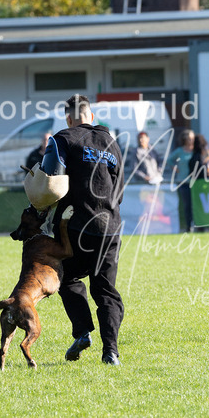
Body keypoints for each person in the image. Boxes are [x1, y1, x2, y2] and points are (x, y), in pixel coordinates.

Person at [39, 94, 126, 365]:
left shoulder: (62, 138)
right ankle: (110, 352)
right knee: (105, 291)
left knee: (65, 276)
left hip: (74, 226)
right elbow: (119, 191)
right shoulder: (112, 142)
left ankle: (83, 332)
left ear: (69, 118)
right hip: (109, 228)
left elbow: (49, 181)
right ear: (91, 116)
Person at [169, 130, 196, 232]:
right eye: (189, 138)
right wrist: (175, 168)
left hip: (195, 182)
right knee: (187, 204)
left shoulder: (195, 150)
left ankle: (199, 224)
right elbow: (169, 160)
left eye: (192, 138)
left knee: (196, 204)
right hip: (184, 181)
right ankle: (189, 225)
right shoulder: (180, 151)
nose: (191, 140)